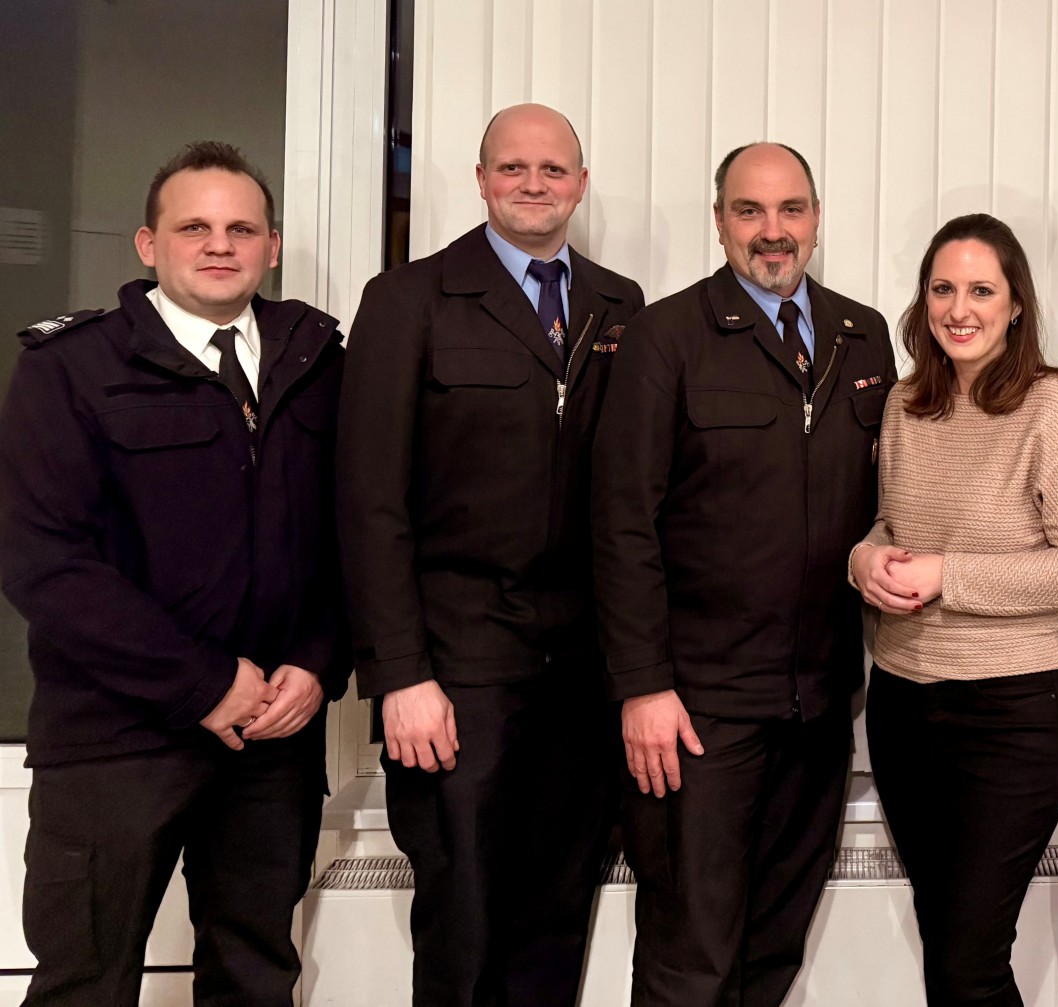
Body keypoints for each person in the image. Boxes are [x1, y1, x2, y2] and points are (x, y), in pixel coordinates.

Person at [0, 140, 346, 1006]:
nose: (219, 244)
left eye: (242, 227)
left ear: (272, 244)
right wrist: (202, 682)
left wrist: (317, 659)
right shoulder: (70, 367)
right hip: (114, 739)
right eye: (194, 226)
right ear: (149, 244)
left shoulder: (318, 361)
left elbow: (354, 533)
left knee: (255, 977)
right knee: (87, 980)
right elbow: (44, 561)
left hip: (273, 738)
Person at [336, 103, 645, 1006]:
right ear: (480, 180)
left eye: (553, 170)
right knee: (464, 921)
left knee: (557, 920)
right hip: (456, 669)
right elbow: (369, 502)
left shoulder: (618, 305)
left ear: (581, 186)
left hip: (582, 672)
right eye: (513, 168)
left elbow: (633, 497)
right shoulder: (408, 299)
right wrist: (399, 674)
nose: (534, 184)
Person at [592, 141, 896, 1007]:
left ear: (816, 218)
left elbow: (895, 493)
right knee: (692, 961)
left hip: (819, 701)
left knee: (771, 952)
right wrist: (642, 687)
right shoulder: (665, 336)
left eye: (791, 210)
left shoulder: (860, 332)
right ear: (719, 221)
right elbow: (621, 524)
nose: (774, 232)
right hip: (698, 709)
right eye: (751, 211)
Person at [851, 212, 1058, 1007]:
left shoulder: (1052, 405)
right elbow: (891, 525)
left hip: (1011, 715)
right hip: (902, 708)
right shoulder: (906, 403)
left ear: (1015, 306)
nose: (959, 308)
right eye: (943, 288)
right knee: (948, 947)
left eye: (980, 290)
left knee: (969, 959)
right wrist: (864, 557)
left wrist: (947, 575)